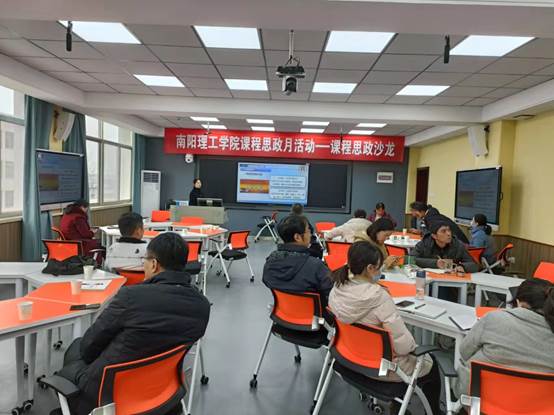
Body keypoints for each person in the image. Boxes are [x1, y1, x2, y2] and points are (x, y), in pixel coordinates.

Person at [55, 233, 211, 415]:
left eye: (144, 259)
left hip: (107, 395)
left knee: (76, 348)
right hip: (162, 391)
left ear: (154, 264)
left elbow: (89, 347)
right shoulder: (202, 305)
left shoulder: (131, 296)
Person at [329, 241, 442, 414]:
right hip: (381, 368)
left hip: (349, 357)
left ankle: (399, 406)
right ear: (370, 268)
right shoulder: (379, 297)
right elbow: (403, 346)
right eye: (379, 267)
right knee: (429, 363)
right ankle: (431, 411)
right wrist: (413, 346)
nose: (381, 271)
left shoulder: (337, 288)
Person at [456, 278, 554, 397]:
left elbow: (464, 352)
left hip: (478, 399)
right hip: (537, 404)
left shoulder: (494, 319)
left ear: (519, 303)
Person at [262, 214, 332, 305]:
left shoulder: (270, 261)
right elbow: (332, 291)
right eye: (308, 231)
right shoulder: (316, 266)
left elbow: (266, 281)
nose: (310, 234)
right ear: (297, 237)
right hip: (312, 312)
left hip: (283, 311)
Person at [412, 221, 478, 273]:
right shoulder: (424, 244)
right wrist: (435, 263)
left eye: (449, 230)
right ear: (434, 236)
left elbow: (474, 265)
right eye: (443, 231)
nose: (448, 234)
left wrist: (463, 267)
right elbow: (409, 259)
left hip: (450, 280)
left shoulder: (457, 245)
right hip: (428, 279)